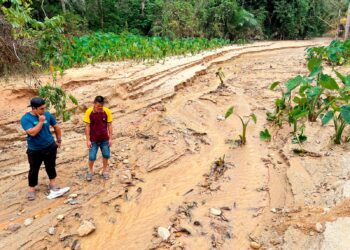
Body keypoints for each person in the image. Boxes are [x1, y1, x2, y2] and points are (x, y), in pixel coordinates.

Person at [20, 97, 62, 201]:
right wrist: (41, 122)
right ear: (34, 108)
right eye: (41, 108)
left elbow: (56, 127)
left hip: (50, 146)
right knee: (34, 169)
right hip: (34, 149)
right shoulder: (25, 119)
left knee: (51, 166)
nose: (44, 110)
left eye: (44, 108)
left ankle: (52, 183)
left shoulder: (47, 114)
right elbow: (32, 133)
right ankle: (31, 189)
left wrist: (58, 140)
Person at [83, 96, 113, 181]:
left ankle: (104, 170)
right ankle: (90, 171)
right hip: (93, 139)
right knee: (92, 157)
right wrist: (88, 140)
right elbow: (87, 126)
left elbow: (109, 125)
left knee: (106, 155)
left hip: (104, 138)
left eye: (101, 107)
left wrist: (110, 138)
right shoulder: (89, 112)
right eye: (97, 107)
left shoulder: (107, 111)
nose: (99, 109)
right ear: (94, 104)